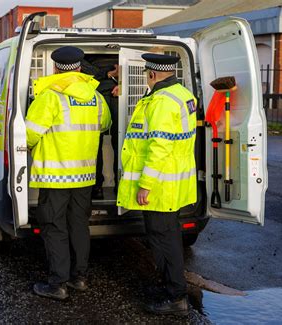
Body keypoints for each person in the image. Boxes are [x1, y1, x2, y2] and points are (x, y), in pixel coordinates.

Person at [26, 46, 112, 300]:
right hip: (84, 175)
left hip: (55, 175)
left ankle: (58, 283)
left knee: (54, 226)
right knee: (79, 226)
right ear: (78, 68)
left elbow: (30, 133)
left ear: (55, 68)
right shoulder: (96, 97)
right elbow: (105, 125)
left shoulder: (50, 96)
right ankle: (80, 278)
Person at [117, 53, 197, 315]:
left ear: (151, 74)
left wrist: (145, 185)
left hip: (160, 185)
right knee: (169, 237)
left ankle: (176, 297)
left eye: (145, 76)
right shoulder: (182, 94)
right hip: (173, 181)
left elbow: (159, 147)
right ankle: (170, 288)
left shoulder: (162, 102)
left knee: (164, 240)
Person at [81, 57, 119, 199]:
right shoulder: (78, 56)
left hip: (114, 95)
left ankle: (113, 186)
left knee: (120, 143)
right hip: (94, 95)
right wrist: (108, 74)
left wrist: (124, 83)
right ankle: (96, 186)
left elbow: (137, 68)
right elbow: (80, 67)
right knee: (95, 144)